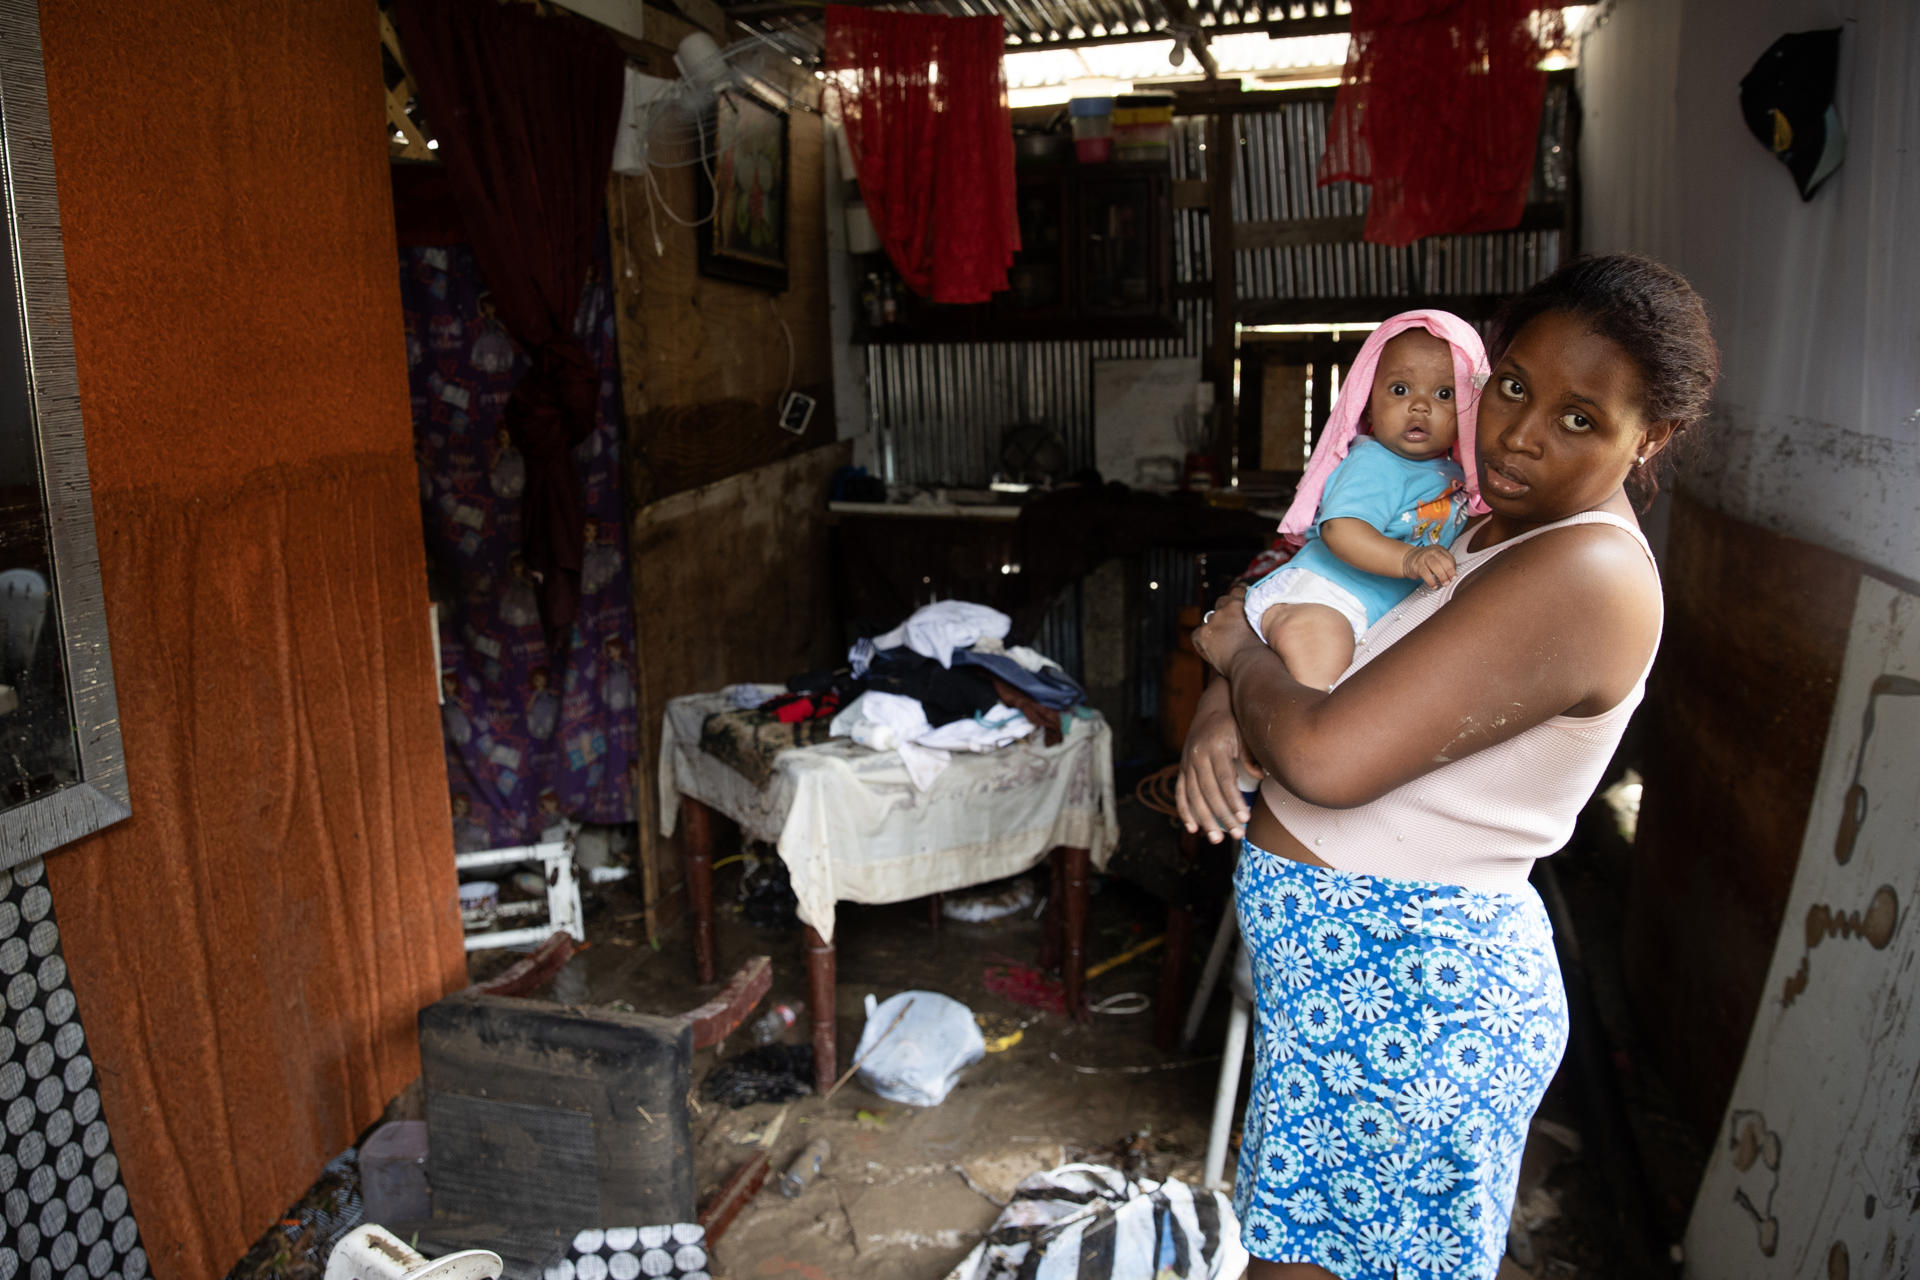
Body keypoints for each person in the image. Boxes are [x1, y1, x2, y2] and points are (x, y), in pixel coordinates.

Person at [1178, 253, 1719, 1279]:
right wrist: (1221, 699)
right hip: (1354, 999)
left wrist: (1232, 656)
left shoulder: (1588, 571)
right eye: (1513, 385)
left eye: (1580, 418)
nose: (1518, 433)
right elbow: (1311, 587)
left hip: (1418, 1010)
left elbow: (1325, 755)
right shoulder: (1490, 519)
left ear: (1654, 437)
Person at [1243, 312, 1486, 691]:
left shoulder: (1452, 475)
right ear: (1368, 405)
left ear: (1468, 410)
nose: (1420, 407)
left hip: (1370, 614)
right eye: (1401, 390)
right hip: (1325, 598)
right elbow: (1342, 529)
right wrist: (1410, 558)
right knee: (1318, 685)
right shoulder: (1375, 462)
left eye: (1443, 394)